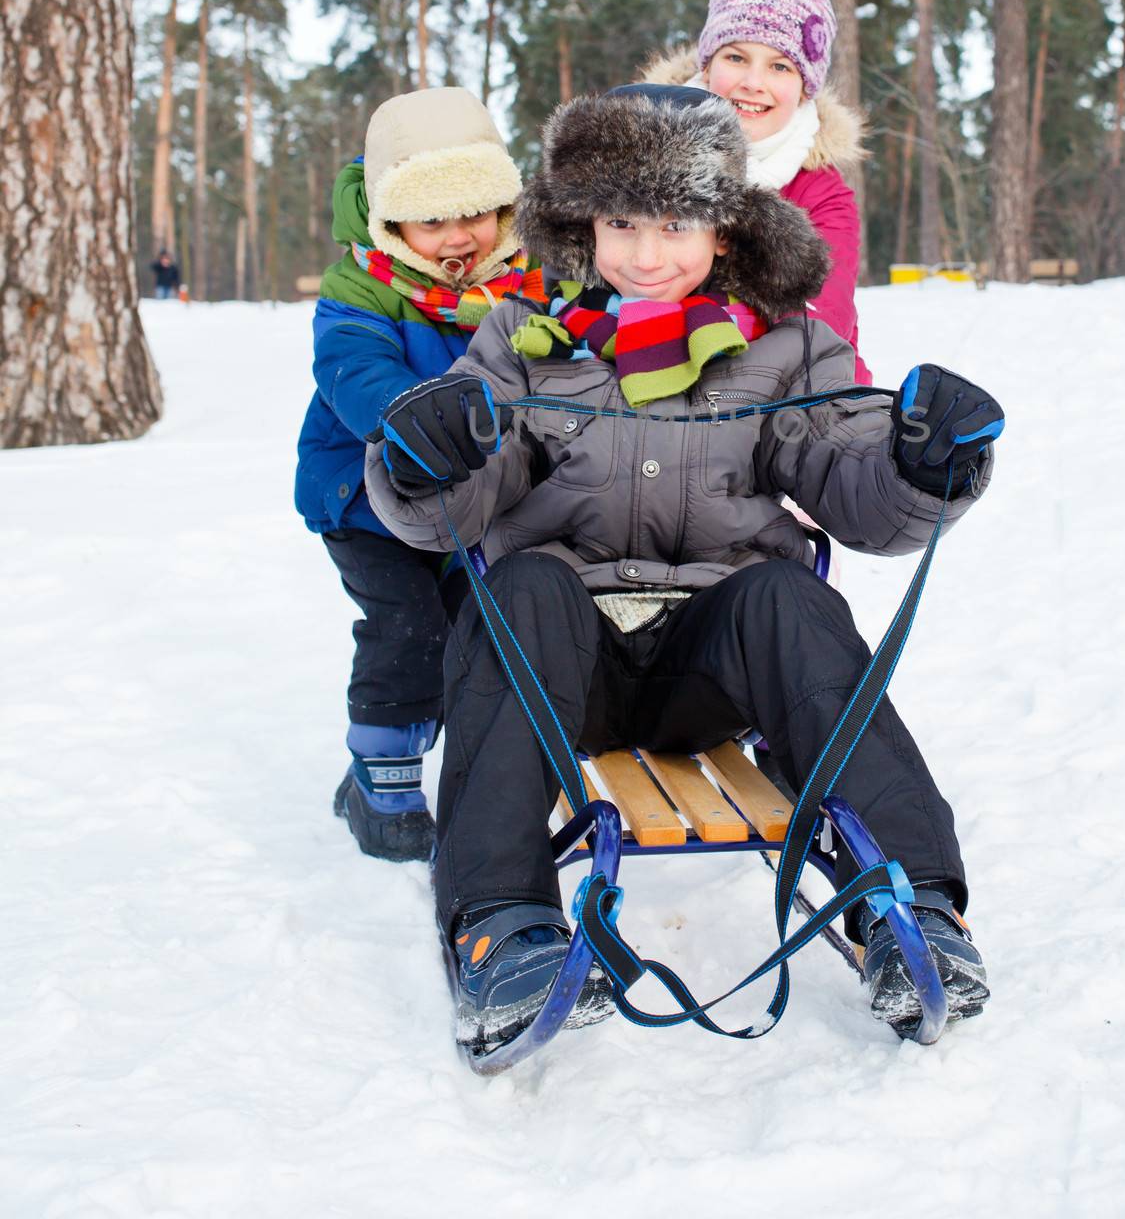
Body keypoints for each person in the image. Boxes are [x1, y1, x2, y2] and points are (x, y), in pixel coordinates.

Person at [364, 84, 1003, 1055]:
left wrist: (924, 463)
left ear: (724, 225)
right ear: (584, 224)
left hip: (713, 662)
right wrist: (425, 460)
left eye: (675, 221)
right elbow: (457, 502)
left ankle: (912, 903)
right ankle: (503, 927)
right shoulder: (528, 342)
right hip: (561, 665)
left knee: (791, 596)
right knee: (518, 586)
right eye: (621, 221)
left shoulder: (784, 345)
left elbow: (850, 476)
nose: (646, 253)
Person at [294, 86, 541, 863]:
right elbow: (352, 369)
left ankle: (437, 760)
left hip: (477, 499)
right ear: (391, 222)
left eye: (474, 213)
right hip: (369, 497)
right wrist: (408, 410)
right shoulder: (362, 287)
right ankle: (385, 781)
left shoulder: (530, 283)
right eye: (432, 220)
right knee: (409, 629)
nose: (457, 237)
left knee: (481, 631)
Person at [641, 0, 872, 381]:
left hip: (789, 393)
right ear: (706, 66)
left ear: (805, 89)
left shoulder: (821, 194)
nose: (753, 83)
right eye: (736, 57)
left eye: (780, 66)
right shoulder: (639, 152)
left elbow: (817, 321)